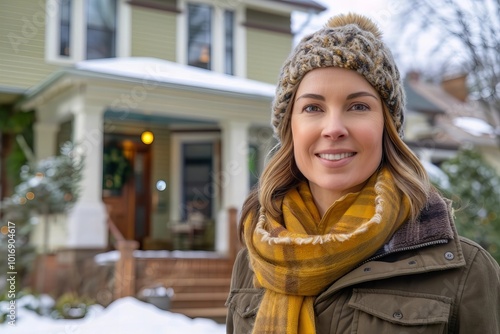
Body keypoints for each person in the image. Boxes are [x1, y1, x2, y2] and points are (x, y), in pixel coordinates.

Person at [225, 13, 500, 334]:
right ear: (290, 128)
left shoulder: (464, 272)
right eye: (313, 108)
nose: (334, 129)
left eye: (358, 106)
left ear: (387, 127)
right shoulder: (253, 262)